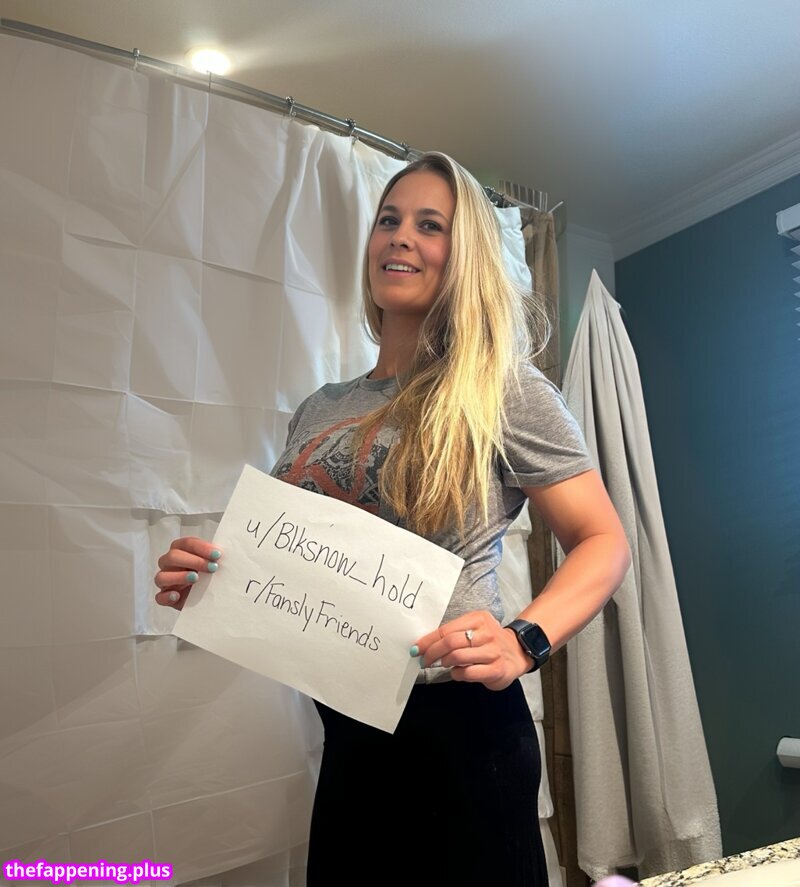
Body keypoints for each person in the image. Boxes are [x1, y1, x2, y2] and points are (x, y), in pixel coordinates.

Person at [154, 152, 630, 885]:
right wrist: (213, 579)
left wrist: (524, 640)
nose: (400, 236)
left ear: (465, 255)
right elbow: (297, 562)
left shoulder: (502, 387)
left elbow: (603, 541)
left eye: (430, 225)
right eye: (389, 220)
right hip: (347, 731)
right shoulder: (321, 407)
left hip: (461, 731)